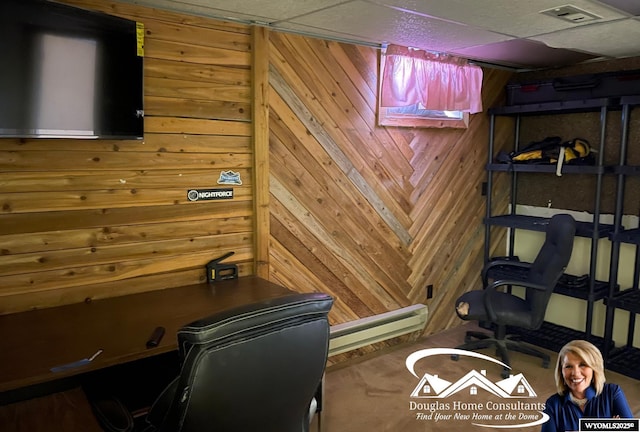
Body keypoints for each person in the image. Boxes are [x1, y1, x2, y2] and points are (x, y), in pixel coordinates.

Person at [542, 339, 633, 432]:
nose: (575, 373)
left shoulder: (612, 393)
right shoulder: (553, 405)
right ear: (561, 371)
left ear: (594, 368)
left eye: (583, 365)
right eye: (568, 366)